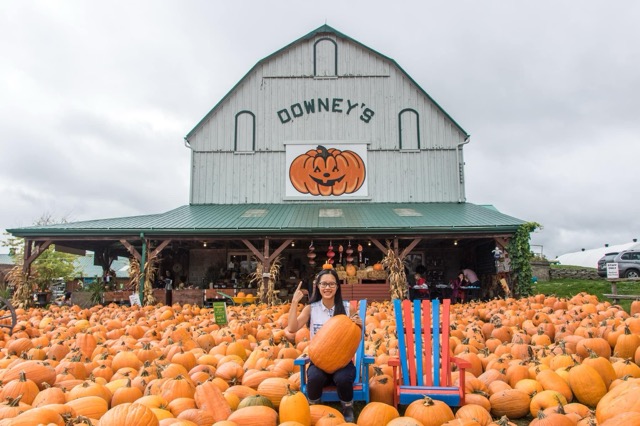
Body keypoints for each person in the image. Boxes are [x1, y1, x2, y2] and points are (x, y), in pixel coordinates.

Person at [286, 269, 362, 422]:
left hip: (342, 362)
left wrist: (360, 326)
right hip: (319, 361)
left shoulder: (348, 308)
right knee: (314, 378)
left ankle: (347, 407)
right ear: (318, 286)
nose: (327, 287)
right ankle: (314, 408)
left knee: (343, 378)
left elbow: (356, 337)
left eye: (331, 284)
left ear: (337, 286)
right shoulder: (311, 309)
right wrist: (294, 302)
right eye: (324, 284)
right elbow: (292, 328)